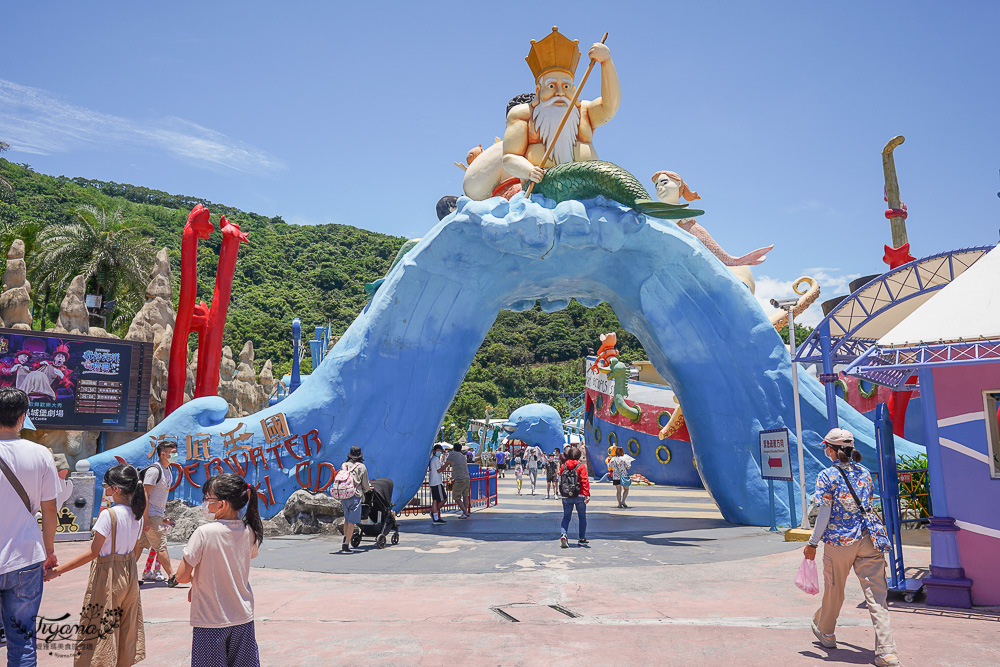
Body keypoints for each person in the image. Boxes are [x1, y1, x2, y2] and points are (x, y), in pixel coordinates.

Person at [804, 428, 899, 667]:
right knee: (878, 598)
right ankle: (887, 653)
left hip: (839, 542)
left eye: (826, 447)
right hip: (870, 540)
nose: (825, 451)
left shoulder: (826, 476)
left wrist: (813, 542)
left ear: (833, 450)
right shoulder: (865, 474)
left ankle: (827, 633)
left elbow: (824, 512)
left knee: (834, 589)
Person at [46, 464, 146, 665]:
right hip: (130, 574)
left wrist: (56, 571)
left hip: (108, 575)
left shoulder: (108, 515)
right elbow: (134, 549)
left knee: (99, 629)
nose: (105, 489)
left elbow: (93, 553)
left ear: (116, 488)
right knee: (125, 627)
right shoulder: (138, 515)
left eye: (106, 485)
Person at [502, 28, 620, 187]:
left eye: (566, 86)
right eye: (551, 85)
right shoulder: (523, 116)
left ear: (574, 89)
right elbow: (509, 157)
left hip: (588, 192)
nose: (559, 93)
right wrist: (529, 171)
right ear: (538, 90)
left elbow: (610, 107)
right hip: (541, 194)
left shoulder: (584, 111)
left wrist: (606, 62)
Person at [175, 473, 263, 667]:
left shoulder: (204, 533)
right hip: (243, 616)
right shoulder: (249, 531)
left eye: (208, 499)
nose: (204, 503)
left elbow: (181, 576)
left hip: (211, 620)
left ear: (222, 504)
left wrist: (196, 581)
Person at [0, 387, 58, 665]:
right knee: (22, 642)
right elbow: (49, 509)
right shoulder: (41, 454)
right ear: (22, 417)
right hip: (26, 559)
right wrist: (49, 551)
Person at [134, 438, 179, 586]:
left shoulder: (168, 470)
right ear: (163, 454)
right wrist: (146, 519)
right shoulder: (154, 470)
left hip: (155, 516)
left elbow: (159, 497)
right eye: (172, 452)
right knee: (161, 546)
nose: (175, 454)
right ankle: (172, 576)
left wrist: (163, 518)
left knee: (140, 545)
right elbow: (145, 494)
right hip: (150, 516)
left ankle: (127, 574)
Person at [339, 446, 372, 552]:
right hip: (355, 495)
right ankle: (346, 544)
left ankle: (346, 537)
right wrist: (368, 488)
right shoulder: (361, 467)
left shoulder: (344, 465)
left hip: (344, 495)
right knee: (352, 521)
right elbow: (366, 486)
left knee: (347, 519)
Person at [558, 446, 590, 548]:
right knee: (582, 517)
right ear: (578, 455)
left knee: (566, 517)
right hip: (579, 495)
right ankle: (581, 539)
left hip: (566, 495)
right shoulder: (581, 466)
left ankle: (563, 534)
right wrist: (587, 494)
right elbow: (585, 481)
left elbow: (561, 478)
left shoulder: (563, 466)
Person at [443, 443, 471, 518]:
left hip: (459, 479)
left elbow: (447, 464)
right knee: (465, 496)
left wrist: (440, 470)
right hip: (466, 477)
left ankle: (465, 512)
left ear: (453, 448)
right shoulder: (462, 455)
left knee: (456, 497)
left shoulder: (452, 454)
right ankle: (465, 512)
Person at [428, 444, 447, 525]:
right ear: (434, 451)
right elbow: (439, 470)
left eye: (440, 451)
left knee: (435, 500)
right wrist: (446, 465)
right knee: (443, 499)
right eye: (438, 450)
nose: (439, 452)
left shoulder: (433, 459)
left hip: (433, 482)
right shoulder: (435, 459)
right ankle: (434, 512)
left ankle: (435, 516)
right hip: (437, 482)